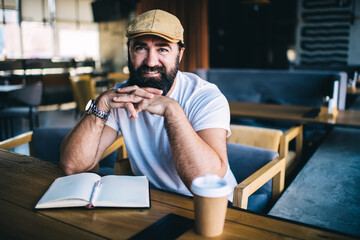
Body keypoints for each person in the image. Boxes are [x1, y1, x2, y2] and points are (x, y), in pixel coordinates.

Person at [60, 9, 237, 199]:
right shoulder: (121, 97)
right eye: (141, 48)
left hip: (212, 207)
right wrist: (101, 104)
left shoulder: (205, 97)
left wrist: (172, 111)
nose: (151, 61)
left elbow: (205, 181)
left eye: (162, 49)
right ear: (129, 51)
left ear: (180, 53)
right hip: (152, 202)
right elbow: (72, 166)